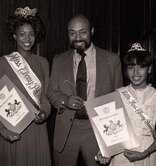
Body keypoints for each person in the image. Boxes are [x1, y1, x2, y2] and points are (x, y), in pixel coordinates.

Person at [47, 14, 123, 166]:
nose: (77, 38)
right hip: (67, 131)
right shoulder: (58, 59)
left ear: (92, 31)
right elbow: (51, 92)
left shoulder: (112, 59)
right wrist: (65, 100)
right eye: (72, 33)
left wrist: (112, 143)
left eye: (83, 32)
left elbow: (118, 99)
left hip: (98, 130)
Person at [0, 6, 51, 166]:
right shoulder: (2, 62)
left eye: (31, 34)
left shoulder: (43, 63)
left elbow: (45, 97)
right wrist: (4, 132)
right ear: (14, 36)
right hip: (14, 129)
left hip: (37, 129)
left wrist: (44, 114)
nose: (27, 39)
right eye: (22, 34)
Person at [96, 42, 156, 166]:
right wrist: (106, 151)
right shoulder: (119, 94)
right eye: (131, 67)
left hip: (147, 151)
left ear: (149, 69)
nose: (135, 72)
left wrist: (145, 153)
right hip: (121, 153)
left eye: (141, 66)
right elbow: (111, 129)